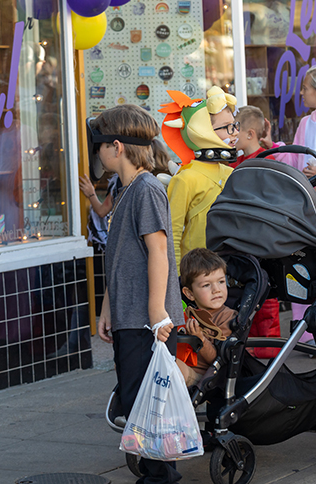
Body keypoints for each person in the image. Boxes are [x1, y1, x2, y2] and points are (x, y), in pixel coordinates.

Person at [92, 105, 184, 483]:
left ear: (117, 147)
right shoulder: (124, 188)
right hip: (128, 314)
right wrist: (106, 308)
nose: (97, 153)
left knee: (147, 406)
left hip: (148, 320)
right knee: (136, 401)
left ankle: (160, 477)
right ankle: (154, 471)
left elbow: (158, 251)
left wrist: (157, 312)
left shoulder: (147, 189)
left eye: (99, 145)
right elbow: (119, 257)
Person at [163, 87, 238, 262]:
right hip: (195, 274)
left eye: (234, 125)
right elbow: (172, 235)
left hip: (229, 272)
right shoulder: (185, 179)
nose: (234, 132)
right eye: (227, 127)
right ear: (203, 130)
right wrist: (178, 279)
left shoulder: (232, 174)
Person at [173, 248, 238, 386]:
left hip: (202, 376)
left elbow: (218, 359)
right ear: (189, 294)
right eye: (207, 285)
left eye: (221, 281)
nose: (217, 290)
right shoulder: (189, 312)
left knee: (170, 365)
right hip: (182, 364)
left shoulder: (227, 316)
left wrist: (200, 338)